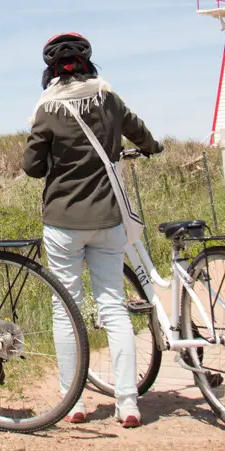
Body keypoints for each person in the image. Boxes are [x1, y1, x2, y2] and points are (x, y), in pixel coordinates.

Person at [22, 32, 162, 428]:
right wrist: (152, 147)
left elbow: (32, 167)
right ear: (88, 64)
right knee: (113, 307)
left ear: (50, 70)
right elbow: (140, 132)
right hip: (109, 220)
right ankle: (128, 403)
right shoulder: (109, 99)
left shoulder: (47, 110)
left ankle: (76, 400)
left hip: (64, 222)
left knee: (65, 310)